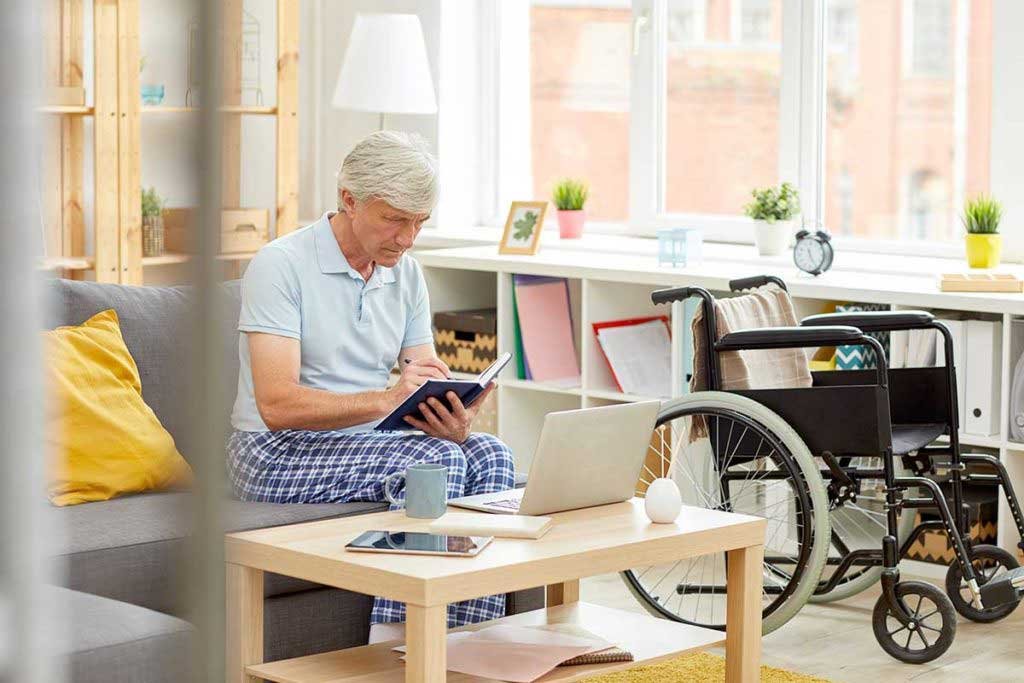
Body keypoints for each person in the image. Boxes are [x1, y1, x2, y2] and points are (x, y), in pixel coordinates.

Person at [226, 131, 514, 643]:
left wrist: (454, 416)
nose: (407, 239)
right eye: (395, 219)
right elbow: (276, 403)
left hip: (365, 440)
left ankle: (472, 644)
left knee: (491, 455)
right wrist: (389, 399)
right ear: (349, 199)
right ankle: (398, 646)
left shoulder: (406, 274)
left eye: (419, 223)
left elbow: (423, 375)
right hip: (271, 451)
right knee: (433, 466)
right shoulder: (281, 265)